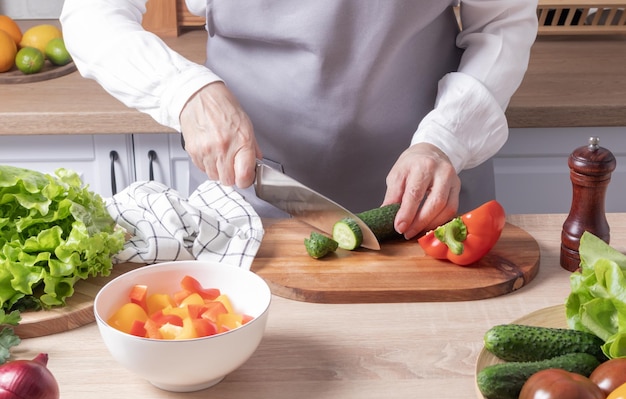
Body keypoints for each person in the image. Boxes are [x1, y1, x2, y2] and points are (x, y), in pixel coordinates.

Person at [60, 0, 538, 239]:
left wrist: (446, 139)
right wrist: (185, 91)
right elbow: (90, 14)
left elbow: (501, 23)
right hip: (249, 190)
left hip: (431, 184)